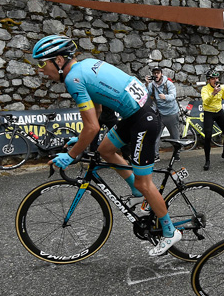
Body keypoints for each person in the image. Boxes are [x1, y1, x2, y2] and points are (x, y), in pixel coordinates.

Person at [32, 35, 180, 256]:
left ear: (59, 60)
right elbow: (98, 113)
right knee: (105, 150)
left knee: (145, 183)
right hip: (135, 116)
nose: (41, 70)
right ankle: (135, 189)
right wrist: (81, 139)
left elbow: (91, 127)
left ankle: (170, 231)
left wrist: (72, 154)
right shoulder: (85, 65)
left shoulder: (73, 79)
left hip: (143, 119)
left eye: (42, 63)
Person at [201, 70, 224, 171]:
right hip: (208, 113)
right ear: (208, 80)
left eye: (216, 78)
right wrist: (213, 93)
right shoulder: (204, 89)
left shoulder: (222, 88)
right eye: (213, 79)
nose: (215, 80)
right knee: (207, 136)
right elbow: (205, 102)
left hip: (219, 112)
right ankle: (207, 160)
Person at [144, 66, 180, 162]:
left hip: (172, 113)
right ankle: (155, 155)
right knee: (155, 135)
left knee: (175, 136)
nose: (156, 75)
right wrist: (147, 84)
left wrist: (165, 97)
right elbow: (147, 94)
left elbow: (173, 96)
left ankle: (177, 154)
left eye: (158, 73)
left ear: (161, 74)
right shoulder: (152, 85)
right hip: (160, 114)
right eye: (154, 73)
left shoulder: (168, 84)